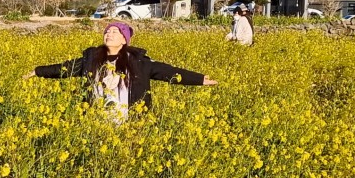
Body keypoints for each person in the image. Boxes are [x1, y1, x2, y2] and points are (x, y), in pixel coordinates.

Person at [25, 22, 217, 119]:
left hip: (129, 121)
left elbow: (168, 72)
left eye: (115, 32)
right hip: (96, 119)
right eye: (107, 31)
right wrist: (38, 71)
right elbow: (65, 68)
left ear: (124, 39)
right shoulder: (91, 58)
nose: (109, 34)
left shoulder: (139, 62)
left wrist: (199, 79)